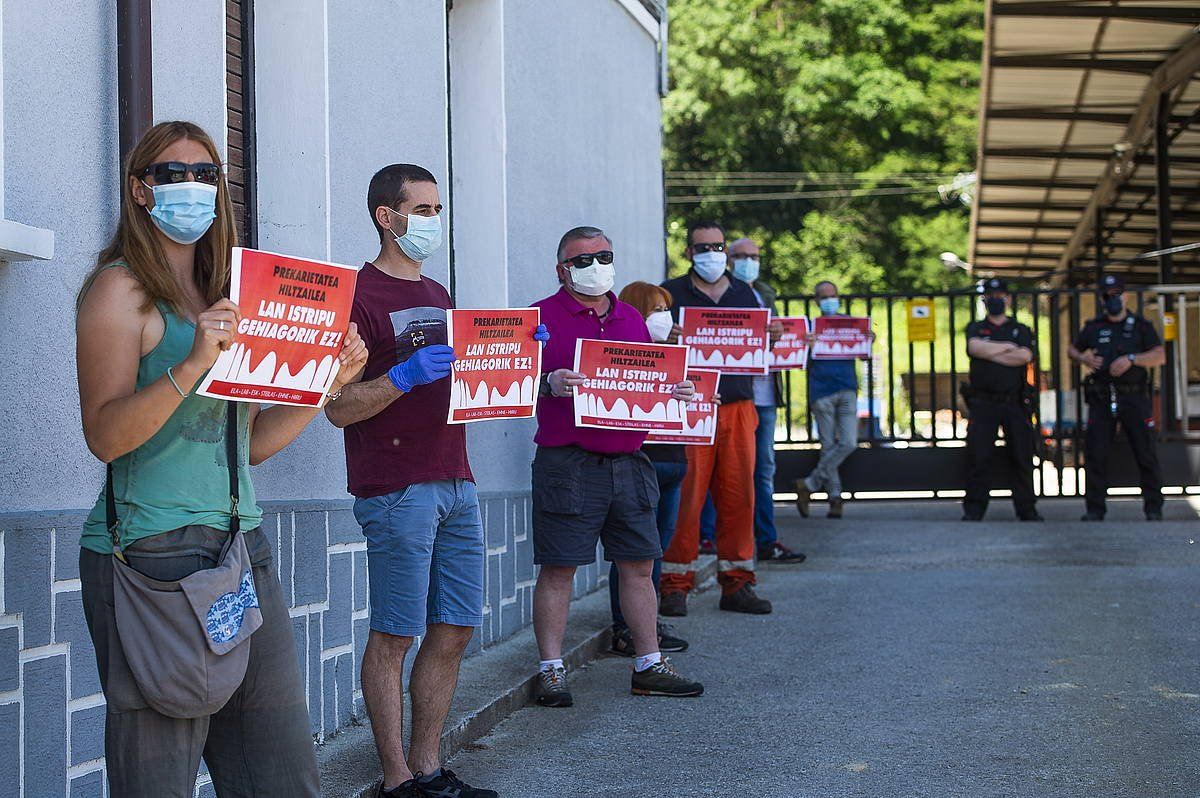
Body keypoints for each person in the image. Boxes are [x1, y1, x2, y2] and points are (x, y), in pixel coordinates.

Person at [76, 120, 368, 797]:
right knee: (158, 782)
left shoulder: (228, 294)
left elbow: (251, 444)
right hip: (149, 554)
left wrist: (327, 385)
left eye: (207, 174)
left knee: (281, 775)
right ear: (140, 191)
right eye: (174, 174)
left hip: (242, 551)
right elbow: (105, 434)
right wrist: (193, 363)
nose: (194, 188)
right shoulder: (119, 291)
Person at [324, 164, 496, 798]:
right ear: (385, 216)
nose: (432, 220)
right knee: (397, 630)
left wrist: (515, 356)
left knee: (455, 626)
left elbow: (468, 381)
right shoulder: (357, 296)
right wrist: (401, 376)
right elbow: (336, 406)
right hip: (394, 486)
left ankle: (429, 768)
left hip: (457, 477)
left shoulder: (439, 294)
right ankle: (395, 778)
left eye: (436, 208)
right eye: (420, 209)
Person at [530, 227, 704, 707]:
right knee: (559, 568)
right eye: (582, 259)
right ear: (561, 269)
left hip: (629, 461)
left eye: (603, 255)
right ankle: (550, 670)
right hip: (567, 461)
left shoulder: (631, 318)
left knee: (639, 565)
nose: (595, 266)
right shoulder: (537, 317)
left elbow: (650, 379)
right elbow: (508, 378)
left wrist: (677, 391)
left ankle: (649, 663)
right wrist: (548, 382)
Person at [660, 220, 774, 617]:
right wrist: (665, 336)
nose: (712, 253)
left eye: (718, 246)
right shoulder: (671, 293)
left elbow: (764, 343)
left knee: (739, 494)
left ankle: (738, 583)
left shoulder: (748, 294)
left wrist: (770, 338)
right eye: (703, 247)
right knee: (687, 497)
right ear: (689, 252)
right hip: (690, 407)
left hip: (739, 408)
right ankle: (674, 585)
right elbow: (651, 341)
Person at [608, 281, 692, 657]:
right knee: (634, 553)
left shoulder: (674, 354)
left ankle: (649, 620)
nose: (664, 317)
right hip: (644, 461)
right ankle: (627, 627)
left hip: (674, 460)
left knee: (655, 548)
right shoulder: (630, 355)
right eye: (656, 310)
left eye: (666, 309)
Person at [729, 237, 805, 563]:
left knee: (763, 470)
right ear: (730, 259)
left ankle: (765, 540)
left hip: (766, 394)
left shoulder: (765, 292)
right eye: (742, 256)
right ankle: (720, 539)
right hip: (737, 394)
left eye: (754, 256)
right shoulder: (723, 294)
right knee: (732, 471)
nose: (749, 261)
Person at [1068, 274, 1166, 522]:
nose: (1112, 299)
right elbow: (1073, 349)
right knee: (1096, 453)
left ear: (1125, 296)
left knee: (1145, 451)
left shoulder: (1141, 326)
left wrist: (1132, 359)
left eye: (1116, 294)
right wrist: (1084, 358)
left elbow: (1159, 355)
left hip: (1133, 397)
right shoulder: (1093, 326)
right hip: (1102, 397)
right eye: (1107, 295)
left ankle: (1153, 507)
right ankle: (1095, 508)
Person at [960, 278, 1042, 522]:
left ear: (1007, 298)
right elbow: (975, 349)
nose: (995, 299)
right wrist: (1008, 347)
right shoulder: (976, 327)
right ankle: (975, 509)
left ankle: (1026, 508)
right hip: (984, 402)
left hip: (1014, 402)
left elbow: (1025, 356)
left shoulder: (1021, 329)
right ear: (985, 299)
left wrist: (992, 351)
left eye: (999, 295)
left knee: (1021, 455)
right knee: (979, 456)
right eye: (990, 295)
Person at [794, 280, 858, 519]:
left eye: (833, 295)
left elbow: (863, 351)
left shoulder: (851, 325)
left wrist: (867, 338)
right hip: (821, 390)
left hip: (847, 387)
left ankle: (809, 484)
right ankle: (835, 498)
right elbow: (797, 357)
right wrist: (806, 345)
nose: (830, 299)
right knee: (828, 446)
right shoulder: (809, 328)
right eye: (824, 296)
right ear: (817, 301)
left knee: (849, 442)